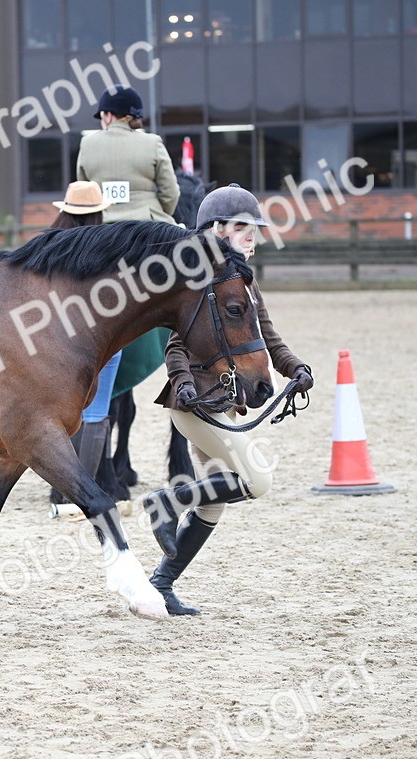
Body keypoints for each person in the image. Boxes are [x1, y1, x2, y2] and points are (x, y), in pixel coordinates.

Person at [144, 184, 313, 616]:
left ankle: (161, 584)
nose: (252, 236)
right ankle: (166, 501)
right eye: (242, 227)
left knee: (214, 503)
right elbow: (175, 346)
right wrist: (182, 382)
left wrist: (296, 368)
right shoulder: (201, 285)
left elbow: (268, 338)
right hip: (196, 405)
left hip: (220, 405)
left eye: (254, 228)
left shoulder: (243, 285)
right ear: (215, 231)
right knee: (259, 481)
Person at [48, 181, 120, 502]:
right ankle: (81, 494)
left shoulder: (49, 245)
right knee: (96, 412)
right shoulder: (109, 248)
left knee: (59, 415)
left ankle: (59, 488)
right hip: (101, 341)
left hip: (55, 341)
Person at [76, 85, 180, 225]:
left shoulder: (87, 143)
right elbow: (170, 192)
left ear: (108, 115)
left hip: (100, 223)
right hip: (147, 221)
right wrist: (159, 213)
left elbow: (83, 192)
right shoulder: (153, 142)